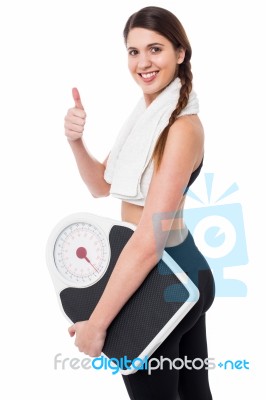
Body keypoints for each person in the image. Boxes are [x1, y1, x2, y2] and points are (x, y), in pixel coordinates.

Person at [64, 6, 215, 400]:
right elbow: (100, 184)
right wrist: (76, 141)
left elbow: (149, 240)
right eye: (133, 52)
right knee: (194, 393)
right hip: (173, 273)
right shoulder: (146, 117)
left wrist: (97, 324)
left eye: (155, 49)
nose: (143, 63)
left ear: (180, 53)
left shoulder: (181, 127)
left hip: (167, 276)